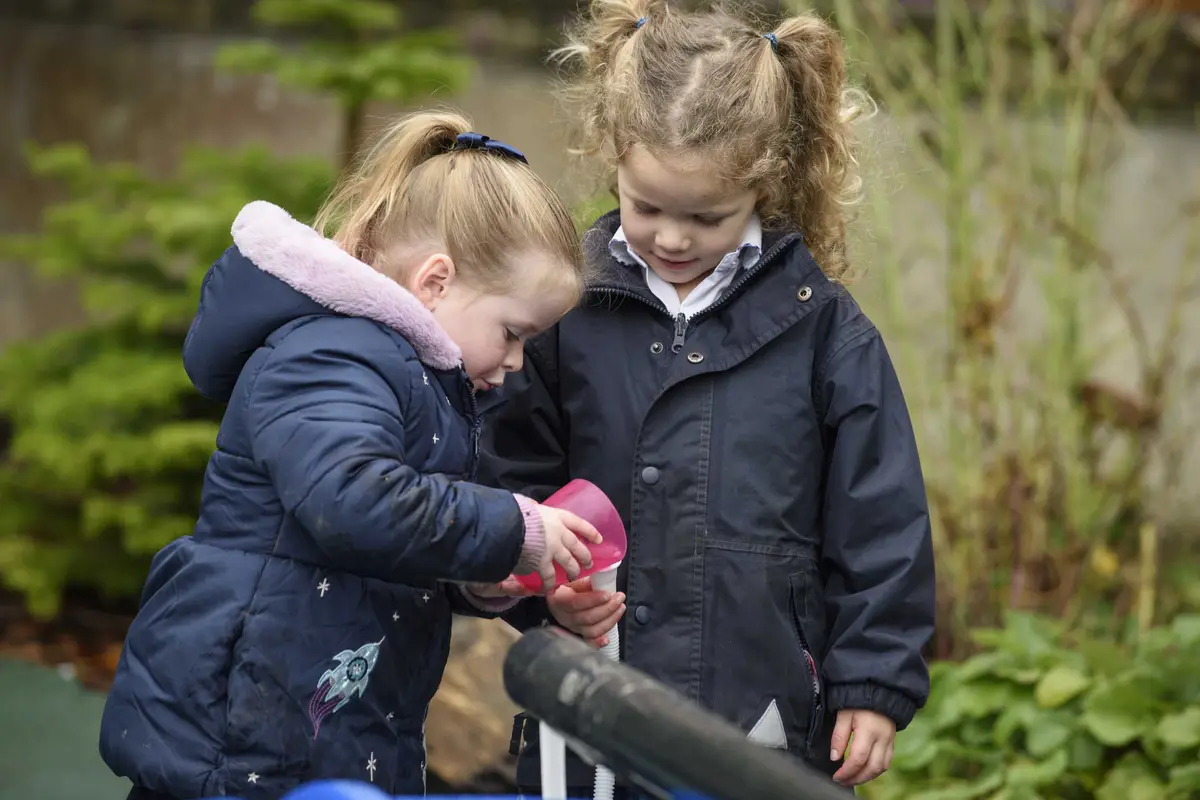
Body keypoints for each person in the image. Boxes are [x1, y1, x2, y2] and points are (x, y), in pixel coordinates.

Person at [478, 1, 936, 795]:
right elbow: (508, 479)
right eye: (646, 206)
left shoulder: (824, 330)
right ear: (613, 161)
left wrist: (873, 683)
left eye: (706, 216)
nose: (673, 238)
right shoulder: (561, 311)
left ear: (765, 184)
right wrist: (542, 597)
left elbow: (880, 521)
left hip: (762, 712)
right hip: (591, 707)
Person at [99, 110, 602, 800]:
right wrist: (513, 528)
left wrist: (481, 578)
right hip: (248, 732)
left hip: (327, 717)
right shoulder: (331, 351)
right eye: (512, 334)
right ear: (435, 281)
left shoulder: (406, 375)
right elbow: (354, 500)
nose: (515, 364)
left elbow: (387, 545)